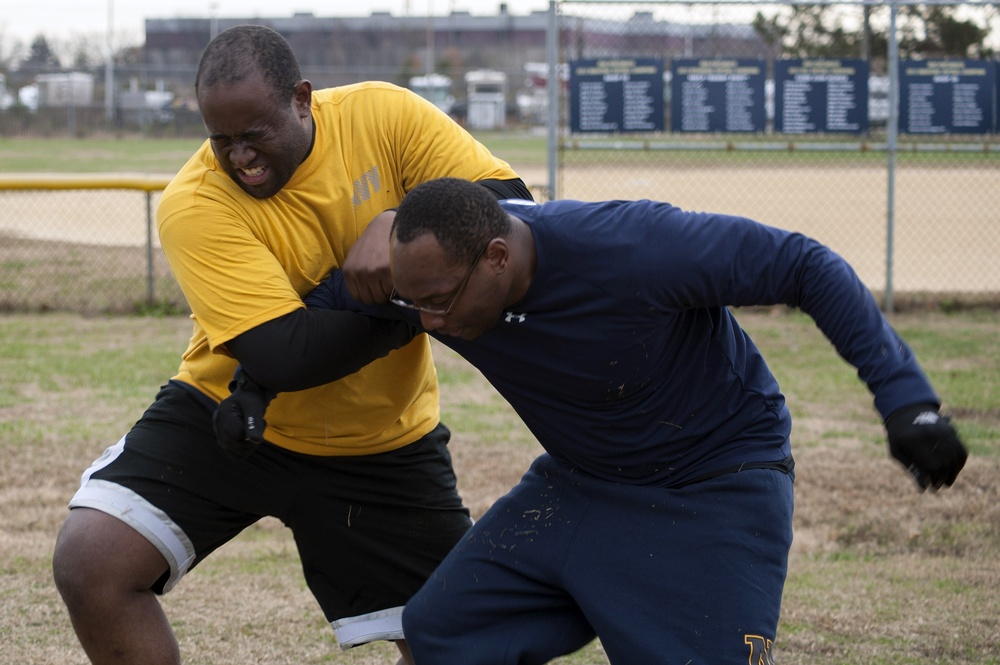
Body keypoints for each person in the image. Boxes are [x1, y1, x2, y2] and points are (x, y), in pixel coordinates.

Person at [297, 177, 968, 664]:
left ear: (497, 258)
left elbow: (803, 263)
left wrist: (905, 400)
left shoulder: (632, 248)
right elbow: (309, 314)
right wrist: (248, 386)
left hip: (714, 482)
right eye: (416, 306)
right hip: (584, 481)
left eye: (439, 303)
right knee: (442, 631)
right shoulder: (430, 278)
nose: (430, 324)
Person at [51, 26, 531, 665]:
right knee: (91, 561)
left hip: (381, 440)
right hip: (233, 413)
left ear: (303, 99)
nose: (240, 158)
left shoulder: (383, 116)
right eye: (221, 140)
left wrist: (397, 224)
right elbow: (287, 354)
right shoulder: (194, 202)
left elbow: (510, 208)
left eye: (255, 134)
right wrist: (426, 302)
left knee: (459, 642)